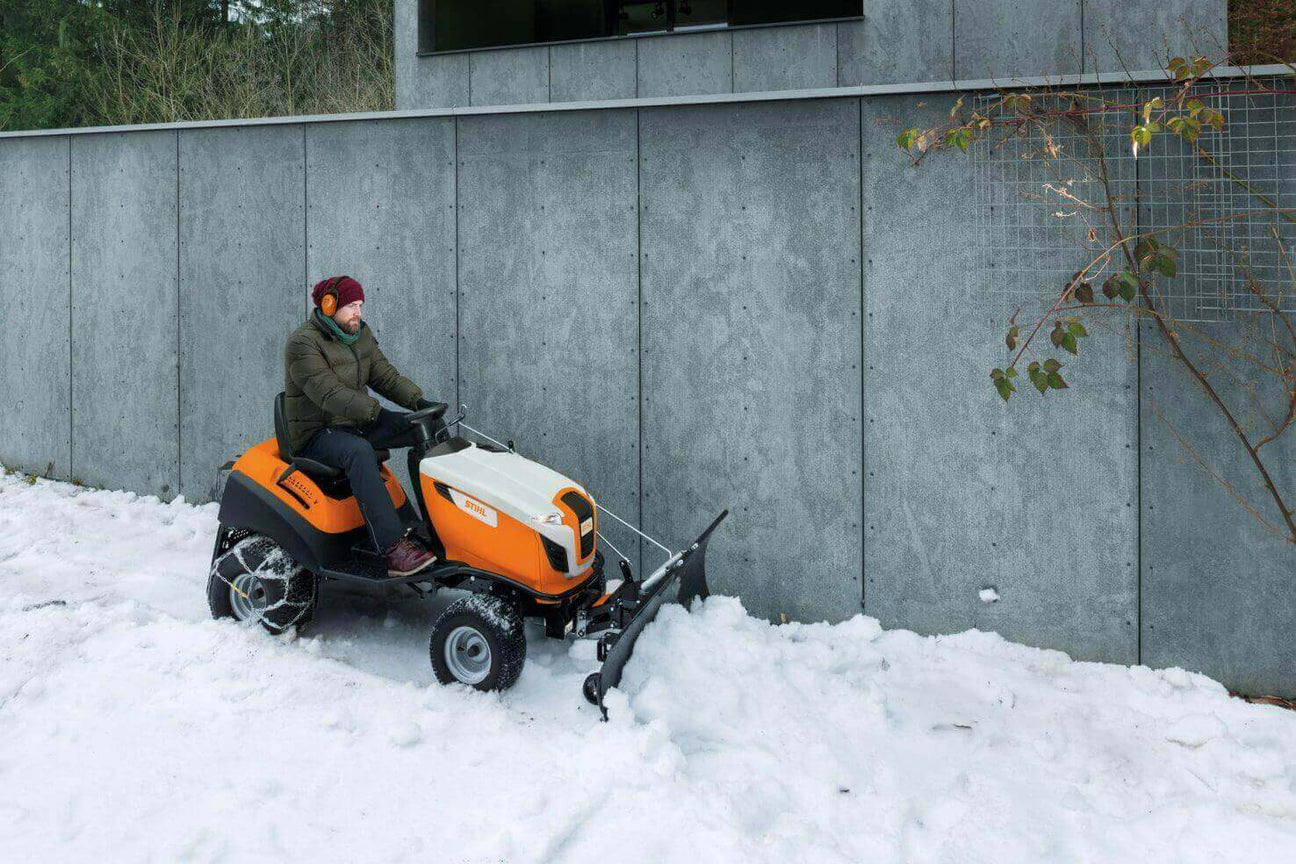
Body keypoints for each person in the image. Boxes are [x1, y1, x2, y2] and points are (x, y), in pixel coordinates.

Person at [284, 275, 440, 577]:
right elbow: (327, 392)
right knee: (359, 451)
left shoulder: (359, 335)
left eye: (360, 305)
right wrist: (374, 411)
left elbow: (385, 377)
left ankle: (439, 525)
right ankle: (393, 548)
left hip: (358, 420)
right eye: (352, 305)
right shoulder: (302, 344)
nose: (358, 312)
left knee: (427, 427)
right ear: (329, 306)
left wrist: (419, 403)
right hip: (317, 433)